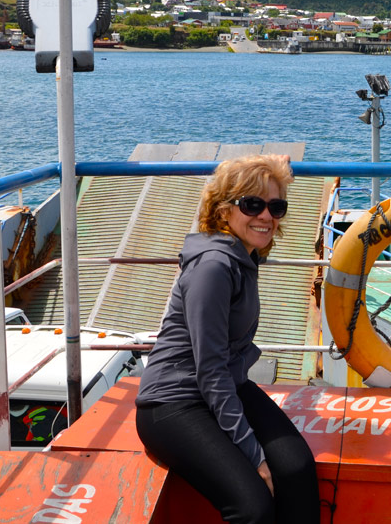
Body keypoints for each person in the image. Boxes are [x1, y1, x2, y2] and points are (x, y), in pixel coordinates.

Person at [136, 154, 319, 524]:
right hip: (174, 403)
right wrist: (255, 457)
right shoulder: (214, 268)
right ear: (223, 212)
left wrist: (275, 166)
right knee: (253, 507)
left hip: (225, 385)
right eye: (252, 204)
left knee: (297, 470)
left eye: (276, 206)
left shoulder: (242, 257)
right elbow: (210, 370)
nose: (266, 216)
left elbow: (220, 375)